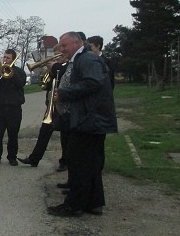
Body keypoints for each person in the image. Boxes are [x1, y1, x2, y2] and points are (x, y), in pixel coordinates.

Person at [47, 31, 117, 217]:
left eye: (65, 45)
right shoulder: (82, 59)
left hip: (89, 119)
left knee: (78, 162)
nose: (62, 49)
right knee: (90, 164)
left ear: (77, 43)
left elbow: (93, 83)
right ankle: (93, 203)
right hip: (89, 119)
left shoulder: (86, 59)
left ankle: (74, 205)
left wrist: (64, 93)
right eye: (61, 46)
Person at [18, 45, 69, 171]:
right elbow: (45, 86)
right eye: (56, 55)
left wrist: (54, 67)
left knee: (65, 136)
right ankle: (34, 159)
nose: (58, 58)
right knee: (44, 133)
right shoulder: (55, 68)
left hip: (63, 106)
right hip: (51, 106)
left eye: (60, 55)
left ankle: (65, 162)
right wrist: (48, 73)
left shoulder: (69, 67)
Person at [0, 49, 27, 166]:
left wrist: (12, 73)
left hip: (14, 108)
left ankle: (12, 157)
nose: (5, 59)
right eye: (4, 57)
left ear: (13, 59)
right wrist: (0, 73)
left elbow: (21, 84)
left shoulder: (19, 72)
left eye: (8, 58)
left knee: (13, 134)